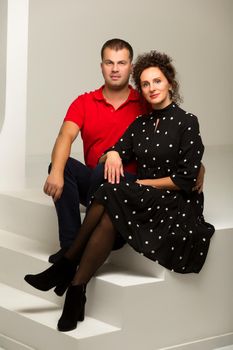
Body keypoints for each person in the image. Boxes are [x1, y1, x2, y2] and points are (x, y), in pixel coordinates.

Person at [24, 50, 215, 332]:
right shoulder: (141, 124)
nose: (152, 88)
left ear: (170, 84)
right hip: (145, 195)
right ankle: (76, 290)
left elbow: (185, 179)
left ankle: (67, 265)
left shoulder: (187, 121)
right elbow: (116, 151)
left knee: (113, 192)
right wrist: (112, 154)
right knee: (109, 203)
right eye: (146, 84)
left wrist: (140, 184)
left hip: (176, 201)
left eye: (157, 82)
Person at [44, 38, 205, 263]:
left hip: (132, 182)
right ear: (102, 67)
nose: (115, 69)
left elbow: (175, 135)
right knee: (64, 166)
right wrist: (56, 172)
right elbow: (65, 136)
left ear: (131, 68)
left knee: (105, 174)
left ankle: (97, 236)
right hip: (95, 180)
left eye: (121, 63)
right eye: (109, 63)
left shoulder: (147, 99)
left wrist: (198, 166)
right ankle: (70, 245)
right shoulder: (84, 102)